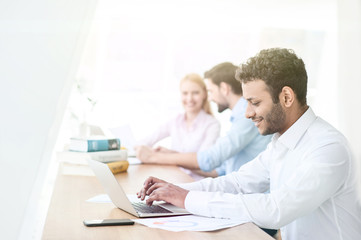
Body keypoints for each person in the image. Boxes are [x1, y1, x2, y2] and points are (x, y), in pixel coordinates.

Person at [137, 48, 361, 240]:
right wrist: (171, 191)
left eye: (254, 103)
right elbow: (238, 183)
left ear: (286, 97)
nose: (247, 113)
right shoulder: (280, 141)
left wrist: (186, 198)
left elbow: (276, 210)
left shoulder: (328, 148)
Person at [136, 62, 271, 177]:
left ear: (224, 88)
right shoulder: (239, 116)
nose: (210, 98)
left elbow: (209, 159)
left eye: (211, 91)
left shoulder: (245, 116)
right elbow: (220, 170)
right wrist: (175, 155)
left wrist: (154, 157)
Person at [135, 73, 220, 179]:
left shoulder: (212, 124)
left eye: (195, 93)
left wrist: (169, 155)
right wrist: (144, 150)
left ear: (204, 94)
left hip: (196, 183)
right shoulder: (176, 120)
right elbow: (145, 141)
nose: (189, 98)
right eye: (185, 93)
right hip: (175, 178)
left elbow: (203, 164)